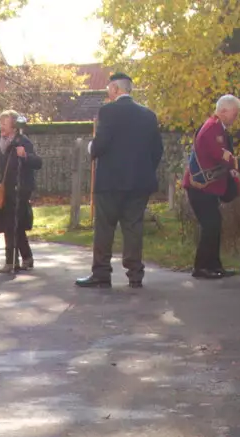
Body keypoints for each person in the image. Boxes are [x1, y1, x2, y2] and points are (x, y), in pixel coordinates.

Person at [77, 73, 163, 290]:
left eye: (109, 88)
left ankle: (101, 274)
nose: (108, 92)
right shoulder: (149, 115)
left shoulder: (108, 111)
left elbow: (101, 144)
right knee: (133, 228)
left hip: (110, 182)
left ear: (115, 89)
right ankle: (135, 275)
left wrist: (90, 148)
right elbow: (157, 150)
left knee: (105, 228)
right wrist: (144, 170)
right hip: (139, 182)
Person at [183, 94, 240, 279]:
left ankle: (214, 266)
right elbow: (221, 154)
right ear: (223, 111)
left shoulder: (217, 127)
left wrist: (233, 171)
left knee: (214, 225)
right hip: (200, 187)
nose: (236, 117)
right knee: (210, 225)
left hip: (206, 186)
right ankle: (202, 268)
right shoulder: (212, 129)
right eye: (234, 113)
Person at [0, 111, 41, 275]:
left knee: (11, 224)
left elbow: (38, 162)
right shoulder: (2, 143)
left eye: (4, 124)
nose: (1, 127)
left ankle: (10, 261)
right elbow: (3, 168)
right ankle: (27, 258)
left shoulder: (22, 142)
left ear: (13, 126)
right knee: (16, 224)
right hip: (7, 187)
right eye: (0, 123)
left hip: (21, 188)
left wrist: (25, 156)